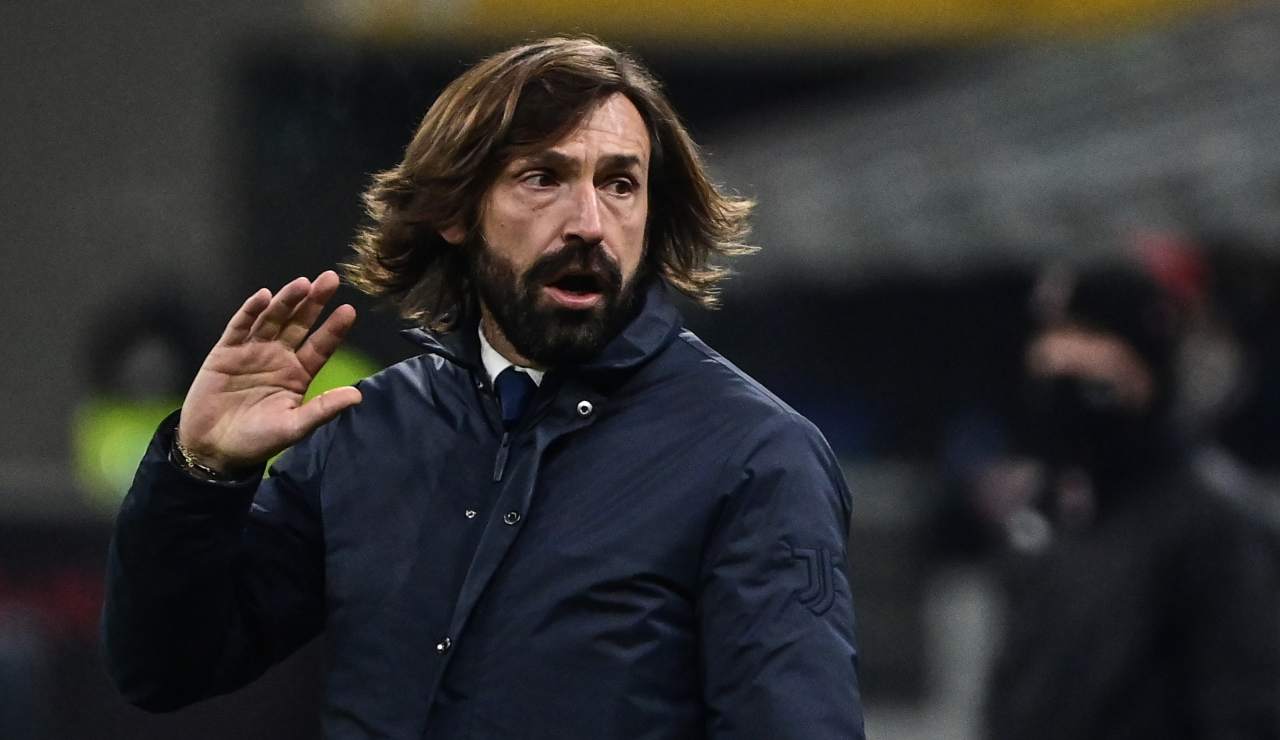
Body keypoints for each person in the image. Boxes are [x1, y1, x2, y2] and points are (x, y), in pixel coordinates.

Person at [103, 37, 865, 739]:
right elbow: (165, 669)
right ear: (456, 212)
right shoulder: (369, 431)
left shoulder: (755, 456)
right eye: (543, 178)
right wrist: (200, 473)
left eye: (620, 184)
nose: (589, 222)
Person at [984, 261, 1280, 740]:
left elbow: (1247, 709)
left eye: (1086, 382)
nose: (1058, 357)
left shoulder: (1208, 526)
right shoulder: (1045, 518)